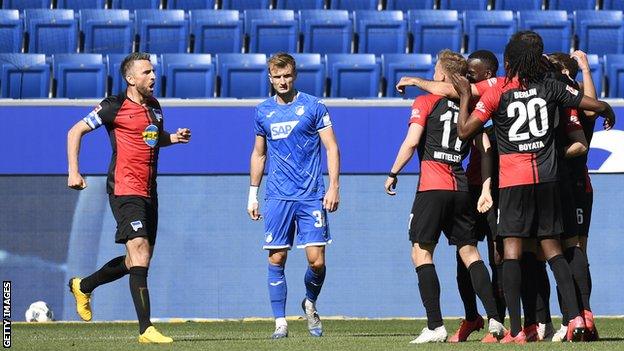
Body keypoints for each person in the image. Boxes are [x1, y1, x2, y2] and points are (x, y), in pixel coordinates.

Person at [448, 31, 615, 344]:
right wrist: (606, 107)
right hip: (549, 181)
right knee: (554, 249)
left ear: (510, 60)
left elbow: (464, 131)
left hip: (514, 183)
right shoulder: (551, 87)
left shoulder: (498, 90)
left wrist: (467, 99)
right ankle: (575, 318)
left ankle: (516, 330)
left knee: (510, 250)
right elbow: (586, 103)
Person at [66, 52, 191, 344]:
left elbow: (151, 137)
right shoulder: (113, 106)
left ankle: (83, 286)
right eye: (146, 72)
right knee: (140, 251)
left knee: (138, 259)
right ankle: (146, 329)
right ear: (130, 78)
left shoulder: (155, 108)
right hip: (124, 188)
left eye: (153, 71)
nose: (153, 77)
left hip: (150, 190)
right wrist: (74, 171)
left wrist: (173, 138)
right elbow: (75, 131)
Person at [384, 50, 505, 344]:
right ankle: (496, 320)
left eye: (436, 69)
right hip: (461, 188)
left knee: (421, 252)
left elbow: (412, 142)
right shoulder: (470, 106)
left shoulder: (425, 101)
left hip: (432, 187)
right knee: (470, 252)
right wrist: (486, 186)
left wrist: (393, 172)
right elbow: (485, 144)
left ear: (441, 75)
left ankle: (435, 325)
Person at [247, 52, 340, 339]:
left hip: (311, 194)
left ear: (294, 75)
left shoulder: (313, 106)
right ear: (270, 78)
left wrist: (333, 186)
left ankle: (310, 302)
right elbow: (259, 154)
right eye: (277, 77)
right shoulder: (263, 111)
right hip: (277, 196)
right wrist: (252, 194)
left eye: (287, 76)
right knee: (276, 259)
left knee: (317, 261)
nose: (282, 81)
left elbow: (331, 147)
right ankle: (280, 323)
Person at [448, 50, 507, 343]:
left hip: (498, 189)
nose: (467, 78)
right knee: (464, 255)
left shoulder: (495, 89)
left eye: (472, 73)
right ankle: (472, 316)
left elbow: (454, 88)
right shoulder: (476, 105)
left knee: (498, 256)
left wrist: (415, 81)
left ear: (488, 75)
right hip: (472, 188)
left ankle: (500, 321)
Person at [547, 51, 599, 342]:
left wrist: (584, 68)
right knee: (575, 249)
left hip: (571, 182)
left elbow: (590, 113)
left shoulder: (569, 98)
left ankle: (575, 316)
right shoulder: (572, 96)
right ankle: (582, 316)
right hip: (578, 183)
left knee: (564, 250)